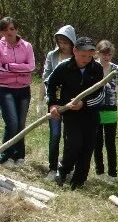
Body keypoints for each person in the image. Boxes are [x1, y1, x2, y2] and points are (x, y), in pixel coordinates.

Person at [47, 37, 105, 190]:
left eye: (89, 56)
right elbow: (50, 85)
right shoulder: (64, 67)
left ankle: (79, 180)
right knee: (74, 144)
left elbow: (100, 95)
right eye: (83, 55)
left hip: (90, 114)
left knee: (87, 147)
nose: (86, 59)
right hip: (70, 113)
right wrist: (53, 104)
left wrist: (84, 104)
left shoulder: (97, 69)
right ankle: (63, 169)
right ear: (74, 51)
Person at [93, 39, 118, 182]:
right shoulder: (92, 67)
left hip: (110, 109)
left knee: (110, 142)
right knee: (97, 142)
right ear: (97, 53)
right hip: (94, 109)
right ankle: (99, 172)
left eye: (109, 54)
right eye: (103, 54)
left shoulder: (115, 68)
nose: (106, 57)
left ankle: (112, 173)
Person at [41, 25, 76, 179]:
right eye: (60, 41)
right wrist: (40, 100)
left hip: (70, 102)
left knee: (69, 136)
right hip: (54, 100)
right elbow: (45, 77)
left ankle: (67, 168)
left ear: (72, 43)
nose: (62, 45)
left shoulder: (77, 56)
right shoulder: (52, 55)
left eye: (65, 42)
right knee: (55, 135)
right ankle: (52, 168)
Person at [0, 17, 35, 168]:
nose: (9, 32)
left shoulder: (27, 46)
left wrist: (9, 67)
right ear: (1, 31)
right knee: (12, 122)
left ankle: (19, 155)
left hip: (23, 89)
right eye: (6, 29)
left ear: (17, 30)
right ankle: (5, 155)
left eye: (12, 29)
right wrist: (20, 68)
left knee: (21, 124)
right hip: (5, 88)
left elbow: (31, 67)